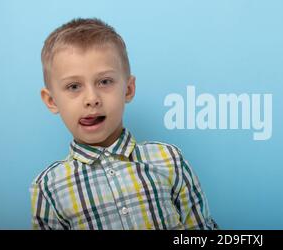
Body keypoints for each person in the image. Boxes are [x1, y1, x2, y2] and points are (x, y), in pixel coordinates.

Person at [29, 17, 218, 230]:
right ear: (52, 101)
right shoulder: (48, 187)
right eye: (74, 86)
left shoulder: (169, 159)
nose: (91, 98)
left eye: (104, 81)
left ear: (128, 90)